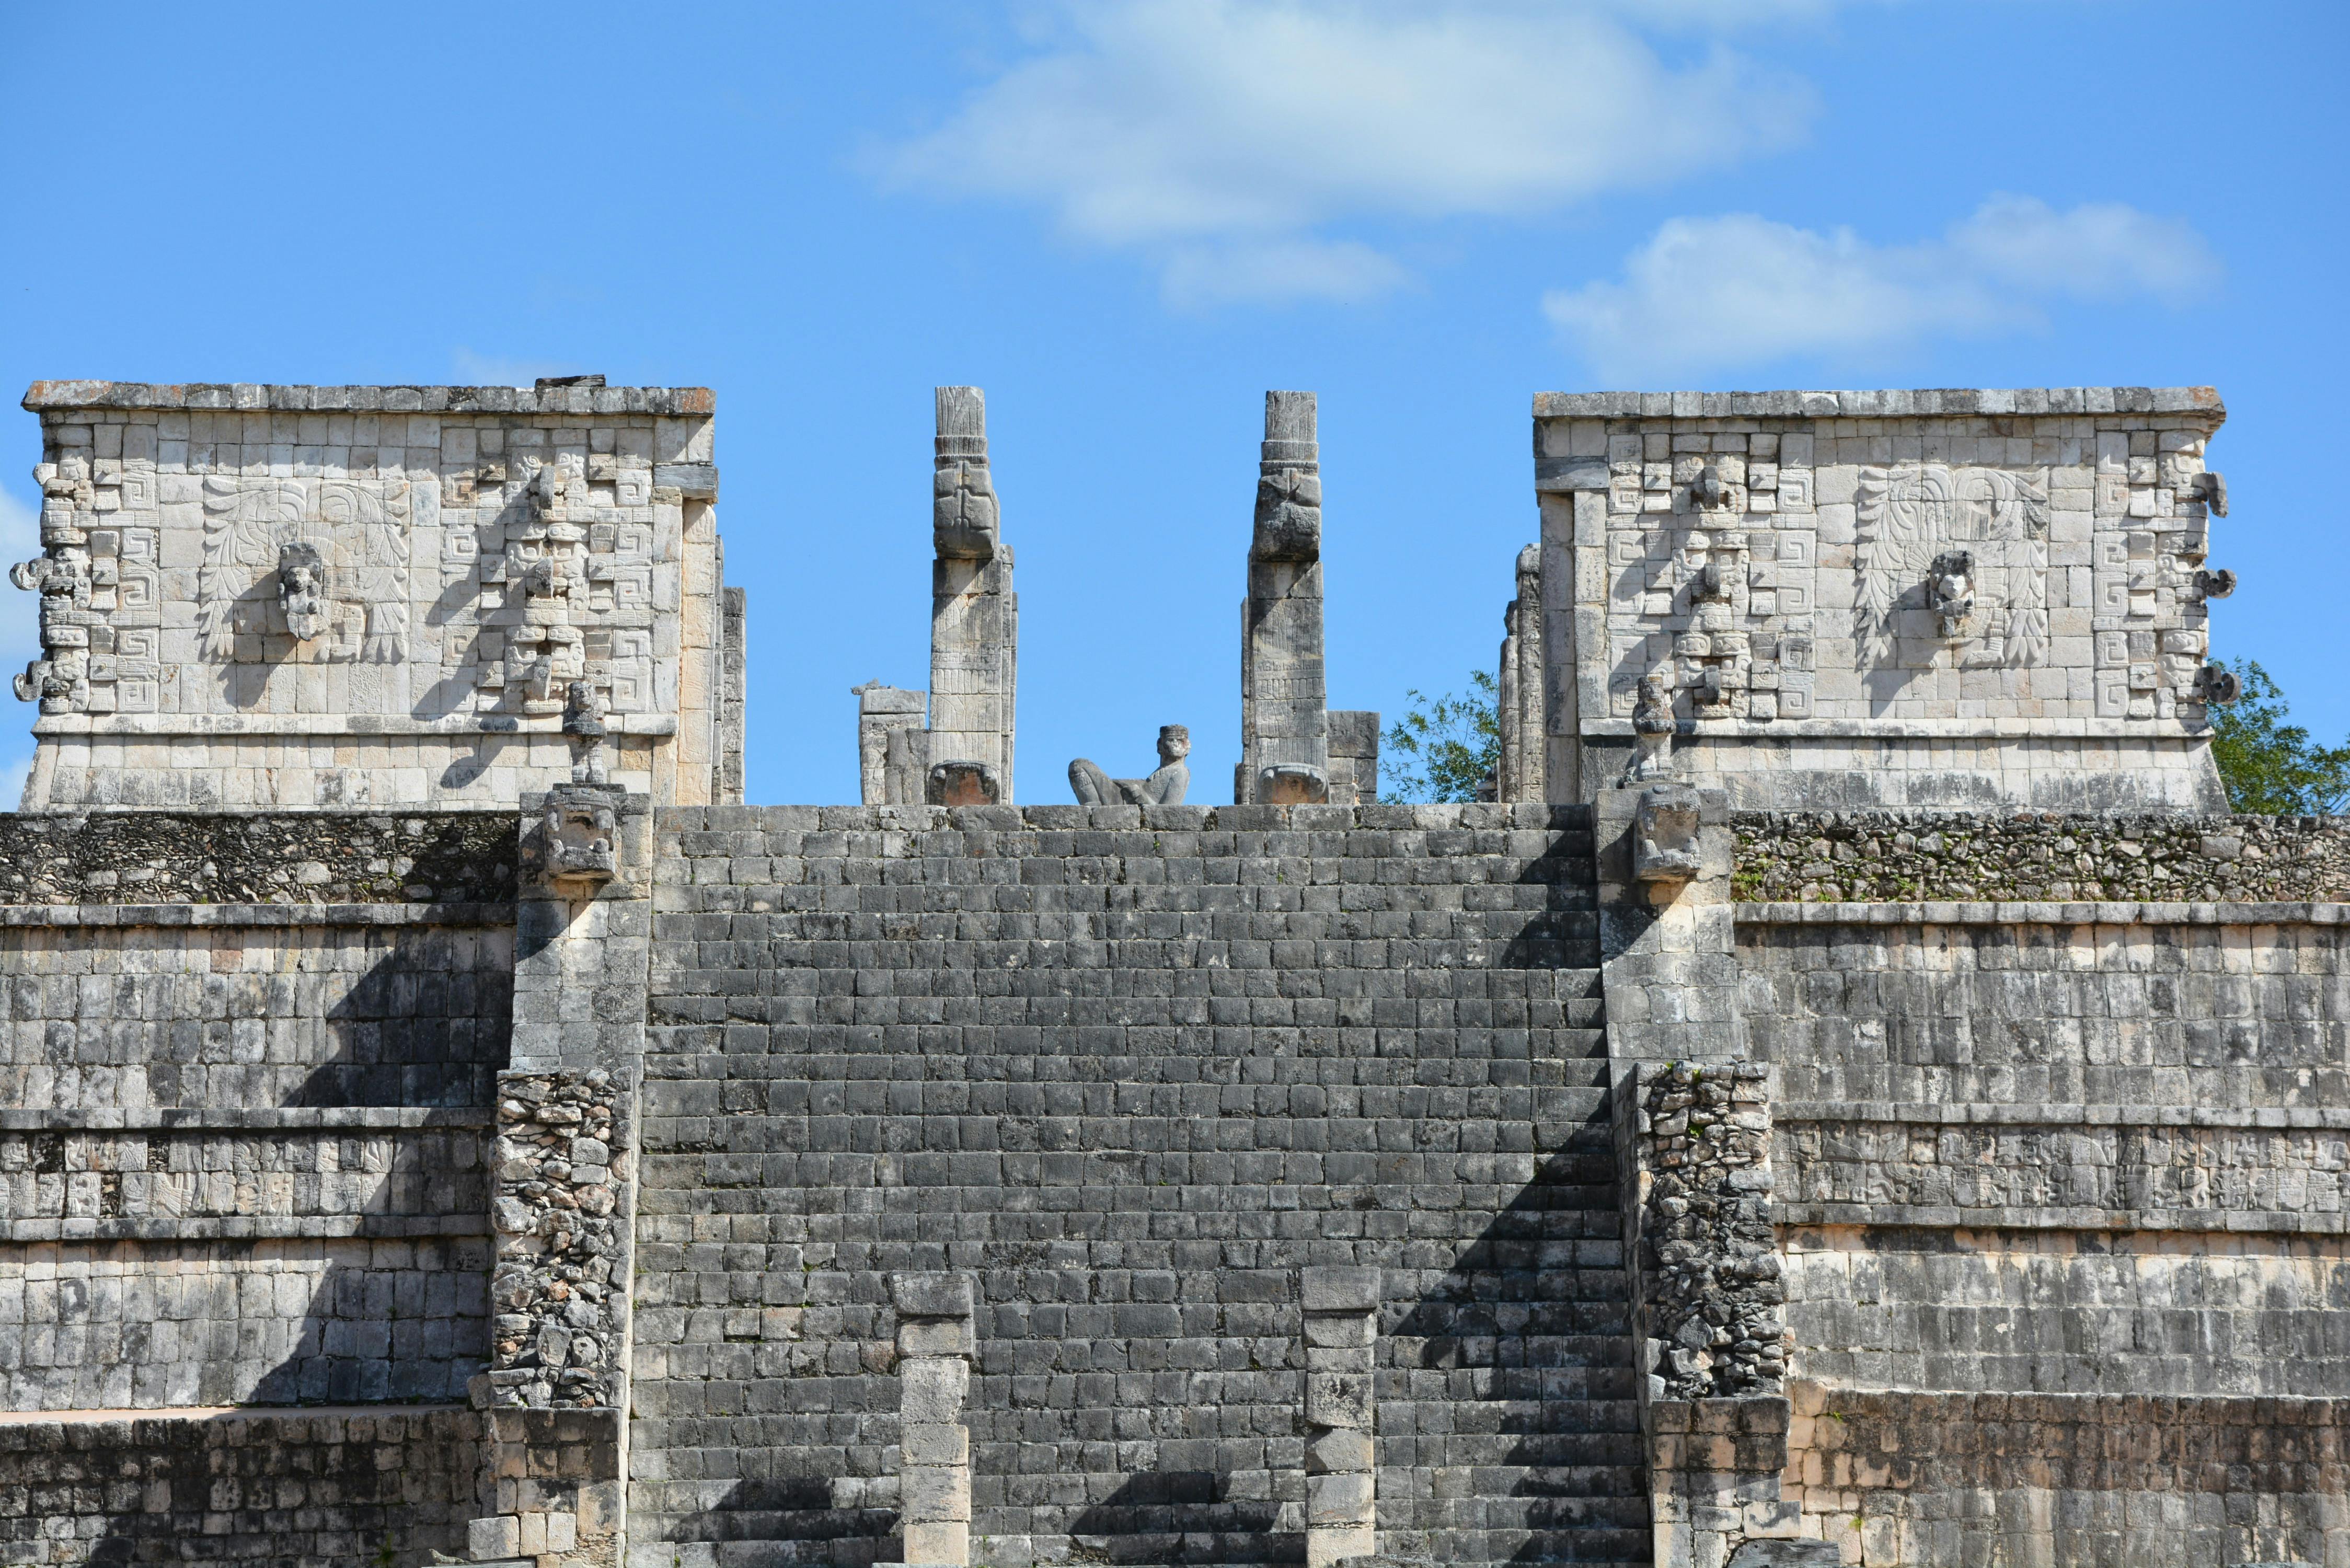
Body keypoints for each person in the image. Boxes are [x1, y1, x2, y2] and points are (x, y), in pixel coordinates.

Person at [1069, 724, 1190, 806]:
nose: (1175, 744)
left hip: (1126, 802)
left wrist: (1139, 795)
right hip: (1122, 798)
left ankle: (1095, 812)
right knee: (1078, 766)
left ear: (1188, 746)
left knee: (1079, 765)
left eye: (1180, 741)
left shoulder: (1181, 772)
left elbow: (1167, 812)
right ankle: (1094, 811)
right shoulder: (1165, 770)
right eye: (1171, 740)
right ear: (1160, 745)